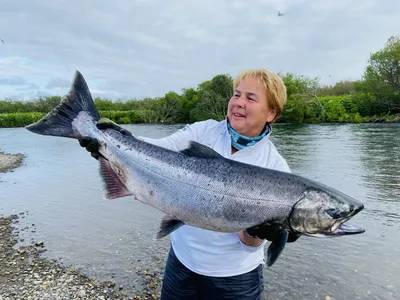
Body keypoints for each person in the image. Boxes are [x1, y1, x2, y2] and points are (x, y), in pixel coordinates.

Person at [79, 68, 293, 299]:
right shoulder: (203, 131)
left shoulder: (277, 170)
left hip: (234, 277)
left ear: (271, 113)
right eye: (236, 94)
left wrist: (257, 231)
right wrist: (114, 141)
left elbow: (248, 244)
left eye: (250, 98)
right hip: (182, 263)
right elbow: (158, 149)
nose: (239, 102)